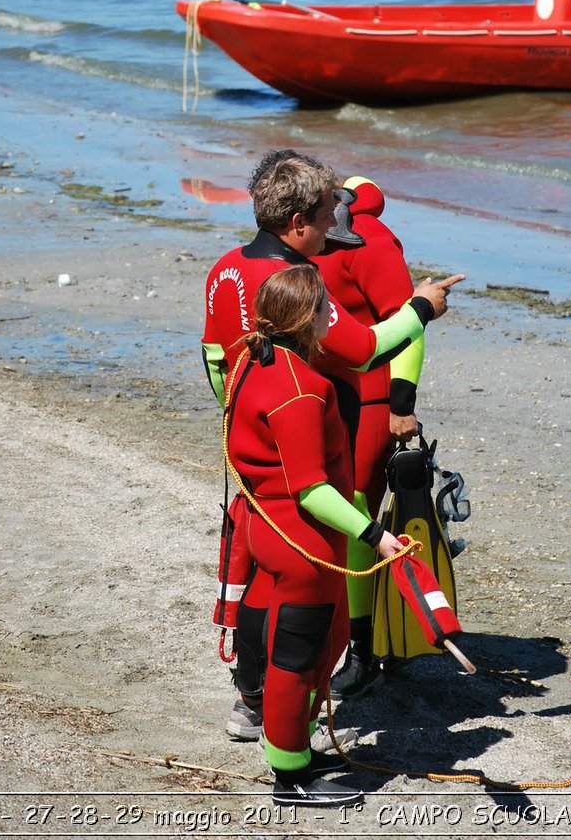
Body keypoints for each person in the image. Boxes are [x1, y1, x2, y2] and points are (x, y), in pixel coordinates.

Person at [203, 153, 462, 740]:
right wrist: (423, 308)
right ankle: (293, 739)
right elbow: (365, 347)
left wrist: (242, 416)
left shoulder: (222, 269)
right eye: (325, 218)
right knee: (312, 595)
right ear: (297, 222)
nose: (334, 229)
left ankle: (249, 700)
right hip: (307, 444)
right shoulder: (301, 285)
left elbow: (214, 358)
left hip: (250, 453)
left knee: (259, 576)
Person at [225, 264, 404, 808]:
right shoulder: (302, 389)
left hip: (266, 528)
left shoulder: (250, 360)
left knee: (316, 650)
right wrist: (373, 533)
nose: (336, 314)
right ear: (306, 321)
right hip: (302, 542)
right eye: (327, 306)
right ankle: (291, 777)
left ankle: (296, 751)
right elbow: (310, 489)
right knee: (297, 660)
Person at [314, 175, 424, 698]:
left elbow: (409, 323)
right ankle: (359, 629)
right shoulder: (311, 238)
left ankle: (363, 652)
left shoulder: (372, 245)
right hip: (322, 392)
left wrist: (402, 404)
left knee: (354, 509)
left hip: (373, 396)